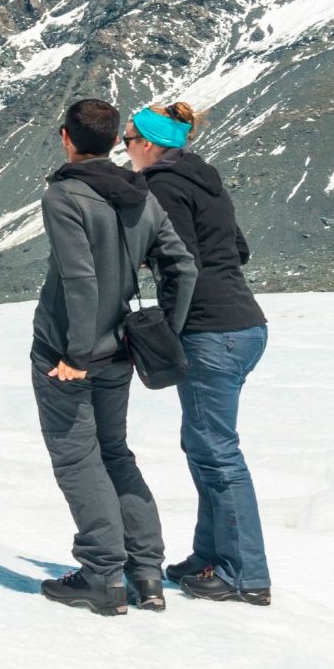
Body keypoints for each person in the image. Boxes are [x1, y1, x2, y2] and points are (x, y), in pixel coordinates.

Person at [31, 98, 197, 615]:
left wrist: (76, 353)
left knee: (78, 456)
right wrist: (165, 330)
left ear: (66, 137)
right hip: (120, 348)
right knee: (115, 452)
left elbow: (79, 277)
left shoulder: (66, 195)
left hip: (68, 352)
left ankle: (102, 576)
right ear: (112, 142)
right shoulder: (140, 196)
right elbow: (183, 269)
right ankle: (145, 572)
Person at [125, 101, 273, 606]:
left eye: (128, 142)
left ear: (148, 144)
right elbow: (239, 250)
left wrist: (170, 324)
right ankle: (209, 555)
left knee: (218, 454)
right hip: (245, 326)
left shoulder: (160, 185)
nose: (126, 152)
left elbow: (180, 265)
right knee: (205, 446)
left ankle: (243, 573)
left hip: (211, 333)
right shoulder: (204, 178)